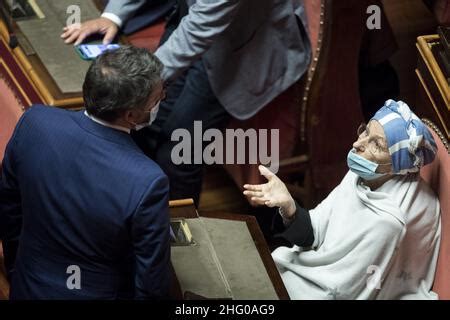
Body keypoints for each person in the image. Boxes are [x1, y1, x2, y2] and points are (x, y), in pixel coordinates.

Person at [61, 0, 311, 205]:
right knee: (146, 126)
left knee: (179, 152)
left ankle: (181, 235)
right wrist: (113, 16)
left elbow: (198, 30)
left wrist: (135, 88)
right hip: (192, 15)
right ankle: (137, 210)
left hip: (243, 46)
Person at [0, 46, 171, 299]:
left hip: (28, 283)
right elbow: (149, 284)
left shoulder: (35, 121)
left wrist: (17, 270)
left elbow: (9, 209)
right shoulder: (147, 181)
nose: (164, 97)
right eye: (158, 99)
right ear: (132, 114)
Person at [243, 100, 441, 299]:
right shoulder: (361, 175)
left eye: (376, 144)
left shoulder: (388, 221)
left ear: (398, 166)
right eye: (365, 131)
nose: (357, 144)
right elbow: (314, 234)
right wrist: (290, 206)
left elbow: (343, 290)